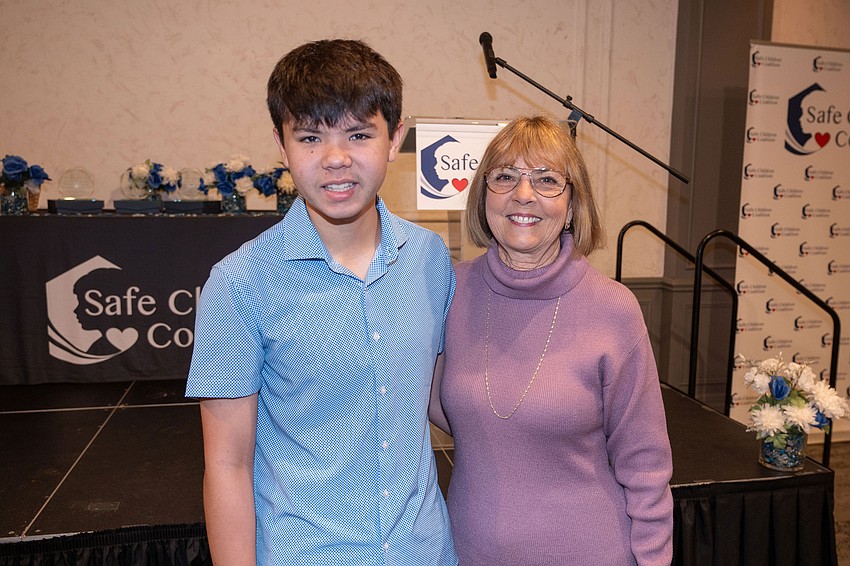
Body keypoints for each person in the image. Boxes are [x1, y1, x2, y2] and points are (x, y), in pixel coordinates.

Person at [186, 39, 457, 565]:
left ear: (395, 138)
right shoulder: (239, 283)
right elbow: (227, 465)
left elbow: (447, 403)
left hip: (424, 551)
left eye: (359, 134)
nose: (336, 159)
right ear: (281, 146)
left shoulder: (429, 258)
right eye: (311, 137)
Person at [430, 115, 673, 565]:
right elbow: (435, 404)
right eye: (505, 177)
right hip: (469, 551)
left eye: (546, 180)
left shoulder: (612, 308)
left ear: (573, 203)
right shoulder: (448, 291)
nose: (524, 195)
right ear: (484, 194)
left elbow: (645, 463)